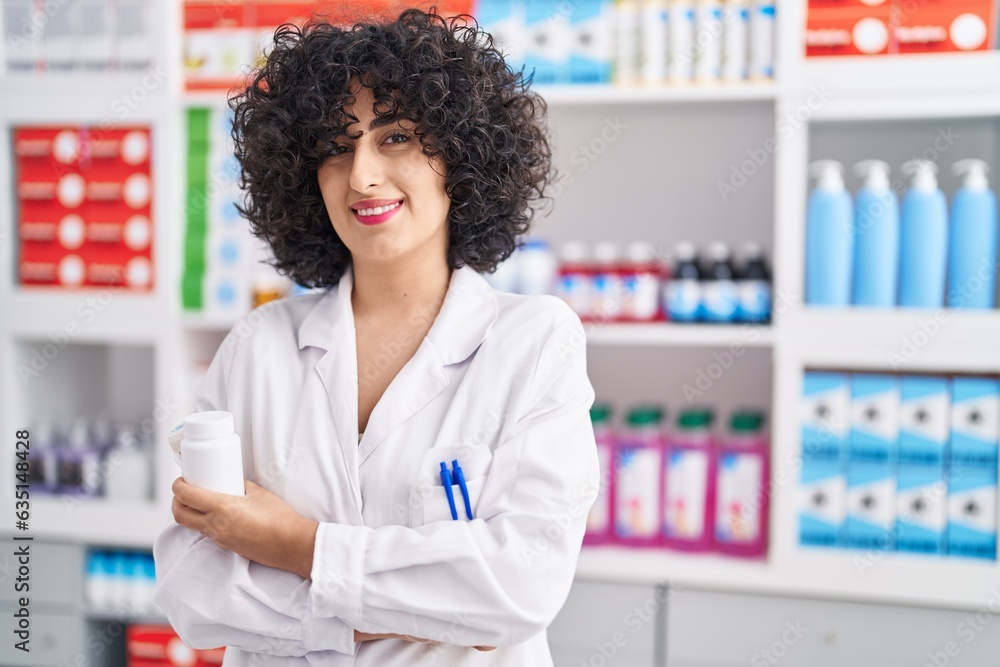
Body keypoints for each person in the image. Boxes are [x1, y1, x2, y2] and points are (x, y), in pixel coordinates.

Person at [153, 7, 599, 666]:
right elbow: (193, 593)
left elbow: (519, 586)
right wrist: (421, 608)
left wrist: (294, 544)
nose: (362, 174)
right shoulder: (257, 348)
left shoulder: (534, 343)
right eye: (337, 145)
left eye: (394, 137)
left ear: (460, 157)